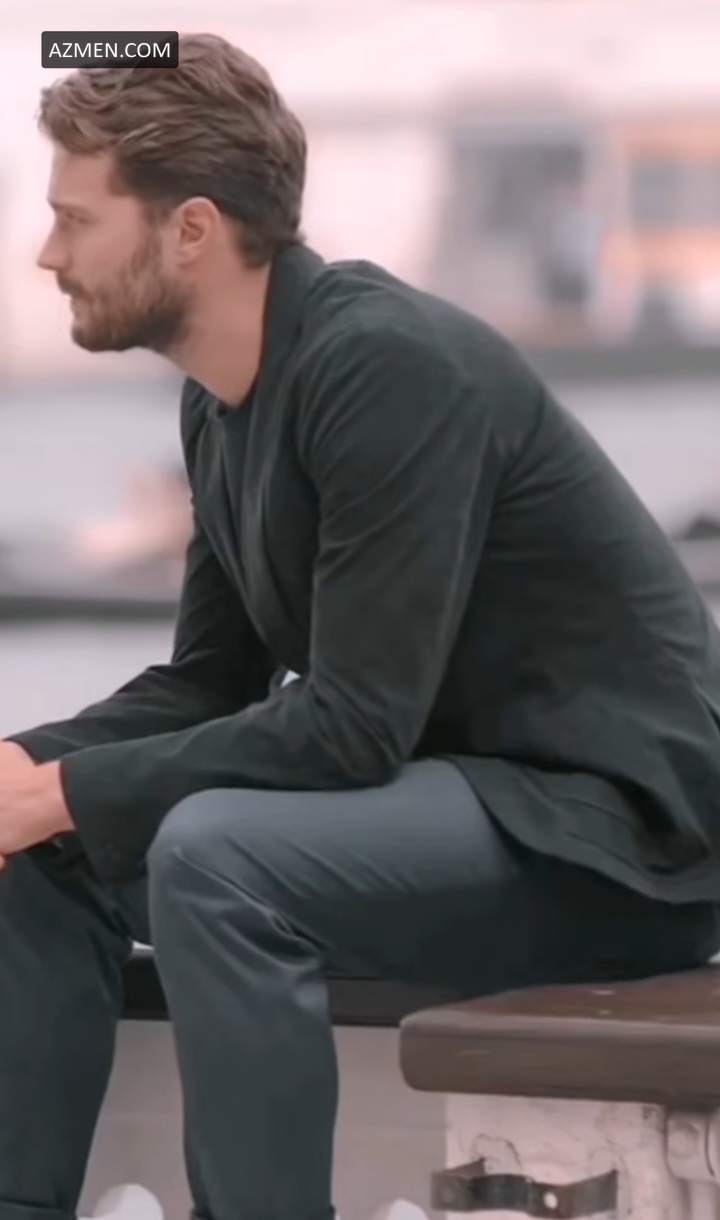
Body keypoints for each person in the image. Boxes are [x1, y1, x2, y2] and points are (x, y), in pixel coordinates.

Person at [2, 31, 720, 1220]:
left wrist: (67, 788)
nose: (48, 253)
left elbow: (352, 725)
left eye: (75, 219)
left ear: (190, 228)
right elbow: (208, 683)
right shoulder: (223, 402)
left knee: (216, 857)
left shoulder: (383, 368)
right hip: (458, 805)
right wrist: (30, 770)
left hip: (611, 837)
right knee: (44, 841)